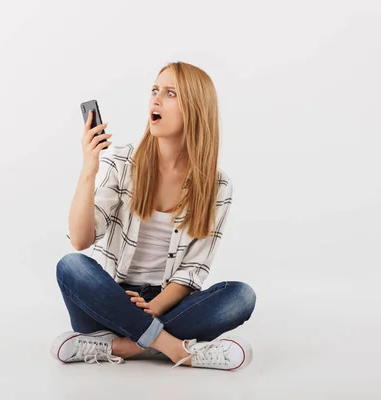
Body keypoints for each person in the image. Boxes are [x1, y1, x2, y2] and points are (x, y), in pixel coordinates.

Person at [51, 61, 256, 371]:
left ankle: (120, 346)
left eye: (170, 93)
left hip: (165, 304)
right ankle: (174, 348)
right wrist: (88, 170)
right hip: (109, 298)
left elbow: (191, 272)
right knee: (70, 267)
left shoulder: (218, 186)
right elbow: (81, 240)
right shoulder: (123, 162)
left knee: (241, 296)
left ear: (196, 110)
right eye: (154, 91)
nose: (156, 100)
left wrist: (153, 307)